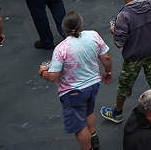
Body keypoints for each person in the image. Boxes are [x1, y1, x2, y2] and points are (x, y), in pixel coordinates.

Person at [39, 10, 113, 150]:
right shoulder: (93, 36)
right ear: (81, 24)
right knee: (89, 111)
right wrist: (108, 71)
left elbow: (52, 76)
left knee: (79, 126)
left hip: (74, 92)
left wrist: (42, 71)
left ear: (64, 28)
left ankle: (88, 148)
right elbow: (106, 58)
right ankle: (94, 137)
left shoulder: (61, 49)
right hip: (93, 85)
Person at [103, 0, 151, 125]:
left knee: (124, 86)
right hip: (150, 51)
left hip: (133, 57)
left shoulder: (124, 15)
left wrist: (114, 31)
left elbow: (119, 44)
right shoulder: (150, 4)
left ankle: (117, 113)